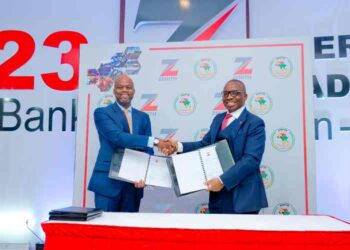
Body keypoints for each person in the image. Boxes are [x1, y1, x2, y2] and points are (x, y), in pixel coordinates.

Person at [165, 79, 268, 214]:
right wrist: (178, 146)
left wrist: (222, 180)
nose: (229, 97)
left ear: (245, 96)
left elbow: (251, 159)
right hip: (217, 195)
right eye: (226, 94)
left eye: (235, 93)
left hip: (243, 196)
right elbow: (204, 145)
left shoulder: (255, 123)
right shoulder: (218, 119)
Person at [88, 74, 168, 212]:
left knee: (128, 230)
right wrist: (155, 141)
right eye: (120, 87)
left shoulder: (143, 117)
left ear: (134, 91)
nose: (124, 90)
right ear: (114, 91)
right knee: (105, 230)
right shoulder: (102, 113)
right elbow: (118, 137)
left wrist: (144, 174)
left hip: (133, 184)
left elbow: (147, 150)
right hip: (108, 182)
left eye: (128, 87)